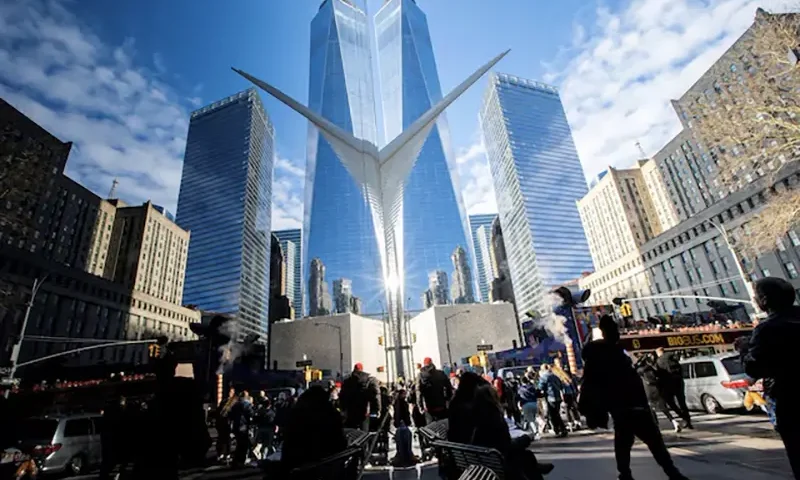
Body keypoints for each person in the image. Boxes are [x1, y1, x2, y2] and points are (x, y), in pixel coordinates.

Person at [580, 316, 688, 480]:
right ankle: (670, 472)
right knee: (652, 442)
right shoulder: (611, 355)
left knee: (626, 442)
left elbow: (590, 385)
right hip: (631, 405)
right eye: (614, 330)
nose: (617, 334)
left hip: (622, 407)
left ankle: (627, 474)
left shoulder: (602, 357)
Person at [743, 277, 800, 478]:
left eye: (756, 297)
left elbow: (754, 368)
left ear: (764, 300)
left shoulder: (767, 329)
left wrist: (745, 352)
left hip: (791, 400)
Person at [448, 372, 552, 480]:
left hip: (474, 453)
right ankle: (534, 467)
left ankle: (533, 466)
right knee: (522, 455)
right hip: (490, 456)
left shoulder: (459, 405)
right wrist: (525, 439)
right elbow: (503, 444)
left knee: (524, 456)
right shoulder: (485, 412)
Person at [280, 386, 349, 477]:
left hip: (303, 463)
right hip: (328, 462)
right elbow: (341, 443)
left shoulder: (299, 414)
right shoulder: (331, 414)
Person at [636, 355, 682, 433]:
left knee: (651, 410)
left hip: (648, 392)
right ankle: (674, 422)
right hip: (657, 390)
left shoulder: (640, 370)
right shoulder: (653, 369)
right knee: (664, 409)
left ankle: (656, 426)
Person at [654, 347, 692, 429]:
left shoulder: (659, 361)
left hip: (669, 384)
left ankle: (683, 417)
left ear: (658, 353)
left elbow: (660, 374)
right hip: (679, 382)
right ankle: (688, 420)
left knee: (670, 402)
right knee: (682, 402)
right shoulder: (673, 358)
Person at [339, 363, 381, 431]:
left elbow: (342, 396)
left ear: (354, 369)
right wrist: (377, 409)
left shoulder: (347, 381)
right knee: (364, 434)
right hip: (364, 411)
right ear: (362, 369)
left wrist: (343, 409)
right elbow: (376, 395)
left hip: (350, 411)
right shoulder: (369, 380)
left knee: (351, 434)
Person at [99, 397, 130, 480]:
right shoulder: (118, 415)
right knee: (112, 461)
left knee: (110, 462)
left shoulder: (109, 416)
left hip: (111, 441)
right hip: (114, 442)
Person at [416, 357, 454, 423]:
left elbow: (418, 392)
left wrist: (420, 406)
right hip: (441, 405)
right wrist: (448, 399)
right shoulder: (441, 373)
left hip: (428, 408)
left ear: (424, 365)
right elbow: (449, 387)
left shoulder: (421, 375)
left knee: (431, 429)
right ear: (432, 363)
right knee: (444, 428)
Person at [537, 365, 567, 437]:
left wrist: (539, 394)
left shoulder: (544, 377)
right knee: (556, 413)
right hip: (558, 397)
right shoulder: (555, 376)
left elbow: (540, 387)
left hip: (550, 397)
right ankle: (561, 429)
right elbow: (561, 386)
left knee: (553, 415)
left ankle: (559, 429)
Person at [229, 391, 255, 466]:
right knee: (244, 444)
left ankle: (235, 460)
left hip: (236, 425)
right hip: (244, 426)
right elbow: (251, 414)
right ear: (246, 396)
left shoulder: (235, 404)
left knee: (239, 444)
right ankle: (241, 460)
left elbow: (231, 415)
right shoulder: (247, 404)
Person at [216, 388, 237, 462]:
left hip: (229, 422)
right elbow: (219, 411)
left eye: (231, 392)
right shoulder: (224, 401)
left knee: (228, 439)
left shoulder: (234, 401)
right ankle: (222, 453)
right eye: (229, 391)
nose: (229, 393)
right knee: (222, 438)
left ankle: (227, 453)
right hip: (222, 422)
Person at [518, 376, 541, 440]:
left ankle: (536, 432)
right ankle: (525, 429)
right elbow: (538, 394)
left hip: (526, 404)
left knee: (531, 420)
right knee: (532, 418)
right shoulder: (532, 387)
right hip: (534, 403)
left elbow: (518, 397)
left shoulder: (520, 389)